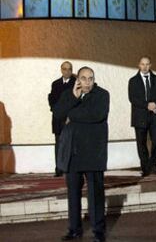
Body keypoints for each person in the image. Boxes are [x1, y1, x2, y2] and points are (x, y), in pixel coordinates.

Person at [53, 66, 109, 242]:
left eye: (90, 78)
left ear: (94, 79)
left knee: (95, 194)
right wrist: (73, 98)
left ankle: (98, 231)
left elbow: (96, 115)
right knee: (73, 194)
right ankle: (74, 229)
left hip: (93, 152)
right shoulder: (69, 94)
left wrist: (71, 115)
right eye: (84, 78)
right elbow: (57, 113)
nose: (87, 82)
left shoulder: (102, 95)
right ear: (78, 79)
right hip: (73, 152)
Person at [128, 56, 156, 177]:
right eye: (142, 64)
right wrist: (147, 105)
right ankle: (145, 167)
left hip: (155, 115)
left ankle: (153, 163)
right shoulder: (133, 81)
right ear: (139, 65)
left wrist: (155, 103)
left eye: (147, 64)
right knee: (141, 143)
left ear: (150, 65)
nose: (145, 67)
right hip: (140, 116)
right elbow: (132, 98)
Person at [48, 61, 76, 177]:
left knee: (71, 143)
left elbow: (76, 101)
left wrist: (70, 116)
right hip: (58, 119)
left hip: (71, 119)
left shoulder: (76, 83)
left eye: (69, 69)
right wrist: (58, 113)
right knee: (59, 143)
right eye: (64, 69)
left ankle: (71, 167)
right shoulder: (55, 84)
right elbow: (52, 101)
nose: (67, 71)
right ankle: (59, 168)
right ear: (61, 70)